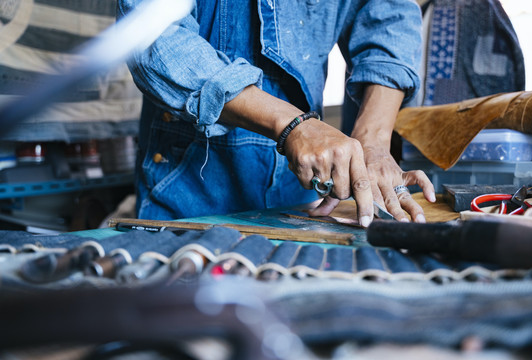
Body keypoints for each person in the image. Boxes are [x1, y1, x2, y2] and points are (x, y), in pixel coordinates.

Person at [117, 0, 436, 226]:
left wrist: (373, 142)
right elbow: (154, 36)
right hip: (189, 194)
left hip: (302, 198)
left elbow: (389, 19)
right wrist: (295, 126)